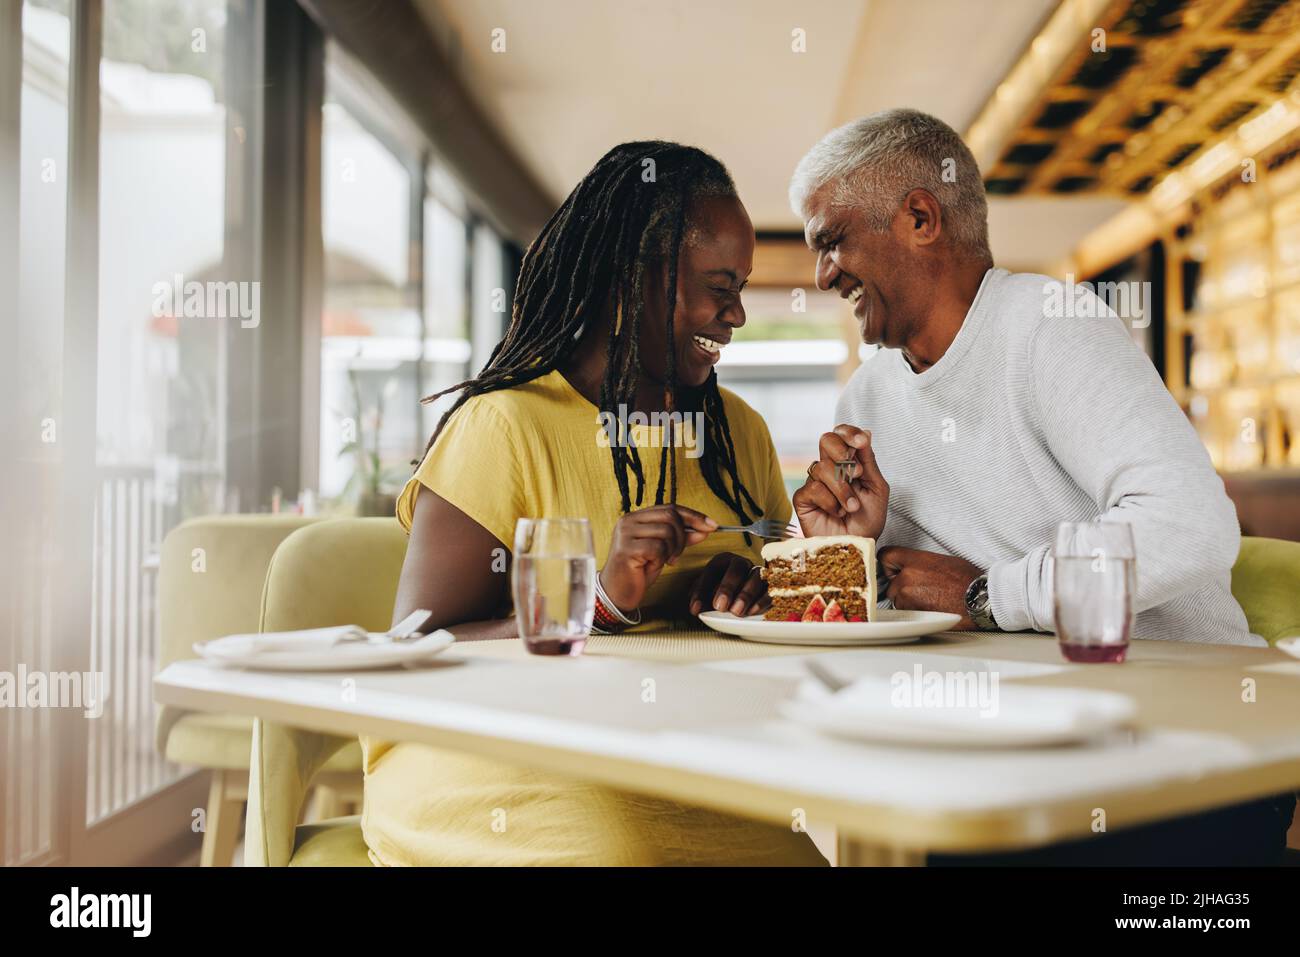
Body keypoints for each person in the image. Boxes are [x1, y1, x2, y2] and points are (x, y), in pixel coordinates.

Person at [788, 108, 1294, 864]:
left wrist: (989, 595)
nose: (823, 274)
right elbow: (914, 616)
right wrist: (853, 560)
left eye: (832, 240)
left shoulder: (1050, 328)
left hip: (1175, 754)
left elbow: (1191, 526)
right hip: (1006, 753)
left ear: (921, 217)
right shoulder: (866, 400)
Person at [364, 141, 826, 866]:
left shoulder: (739, 433)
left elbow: (783, 612)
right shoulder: (504, 426)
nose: (737, 313)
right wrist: (597, 602)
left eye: (741, 287)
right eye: (719, 285)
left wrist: (763, 590)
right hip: (499, 754)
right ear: (627, 281)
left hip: (683, 753)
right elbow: (417, 647)